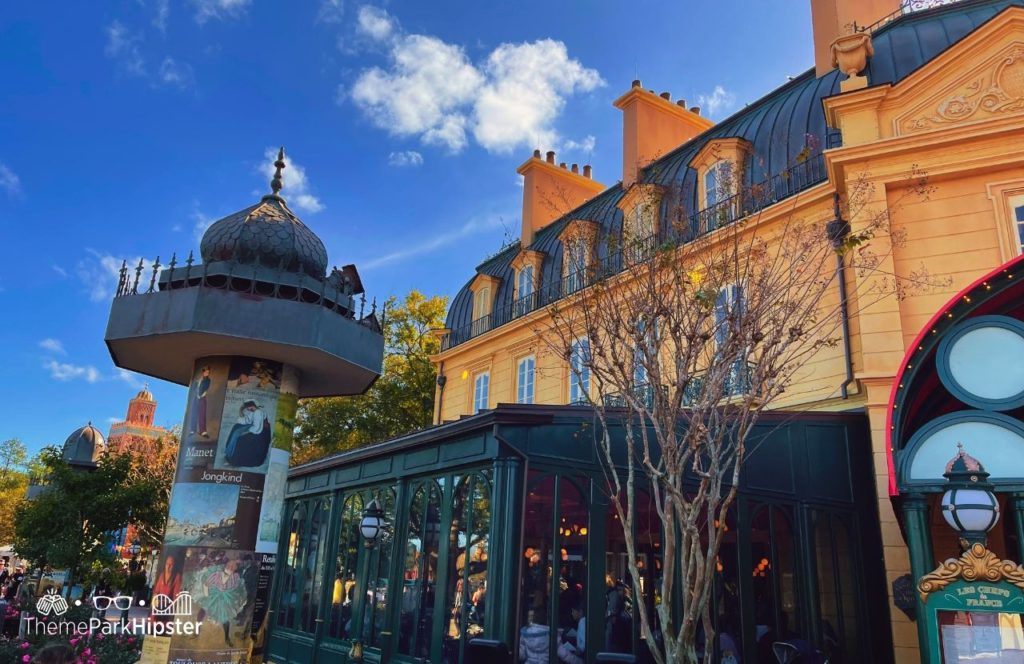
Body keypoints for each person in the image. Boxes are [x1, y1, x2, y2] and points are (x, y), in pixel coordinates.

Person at [223, 400, 272, 468]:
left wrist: (245, 432)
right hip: (255, 428)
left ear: (251, 406)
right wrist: (240, 415)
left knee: (241, 439)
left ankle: (234, 460)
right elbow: (248, 420)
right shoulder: (254, 411)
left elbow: (257, 428)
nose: (247, 409)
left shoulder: (258, 412)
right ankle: (230, 453)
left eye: (248, 408)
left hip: (261, 433)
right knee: (236, 428)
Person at [189, 366, 212, 438]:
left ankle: (203, 431)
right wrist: (196, 394)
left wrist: (201, 396)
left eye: (208, 372)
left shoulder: (208, 380)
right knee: (194, 413)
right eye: (205, 372)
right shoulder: (198, 380)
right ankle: (193, 430)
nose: (207, 373)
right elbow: (194, 388)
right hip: (196, 398)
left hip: (202, 398)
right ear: (203, 372)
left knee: (202, 414)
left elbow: (206, 389)